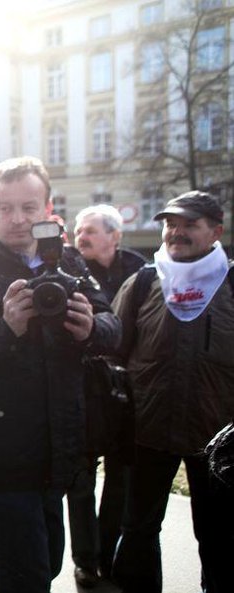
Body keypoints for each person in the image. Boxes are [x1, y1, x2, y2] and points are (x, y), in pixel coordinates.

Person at [0, 157, 120, 593]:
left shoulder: (68, 262)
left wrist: (91, 328)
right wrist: (3, 330)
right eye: (5, 208)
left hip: (57, 452)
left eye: (28, 208)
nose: (17, 219)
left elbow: (113, 327)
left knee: (39, 564)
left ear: (49, 210)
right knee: (24, 577)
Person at [110, 191, 234, 593]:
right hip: (148, 431)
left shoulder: (231, 282)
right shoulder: (145, 280)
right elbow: (115, 345)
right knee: (138, 530)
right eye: (170, 224)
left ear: (216, 231)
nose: (176, 232)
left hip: (216, 438)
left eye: (189, 224)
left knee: (218, 536)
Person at [65, 204, 146, 587]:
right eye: (78, 229)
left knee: (120, 477)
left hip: (127, 392)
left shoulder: (142, 273)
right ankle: (85, 560)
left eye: (91, 231)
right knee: (80, 480)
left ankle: (107, 550)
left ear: (115, 236)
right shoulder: (68, 273)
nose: (81, 236)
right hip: (83, 390)